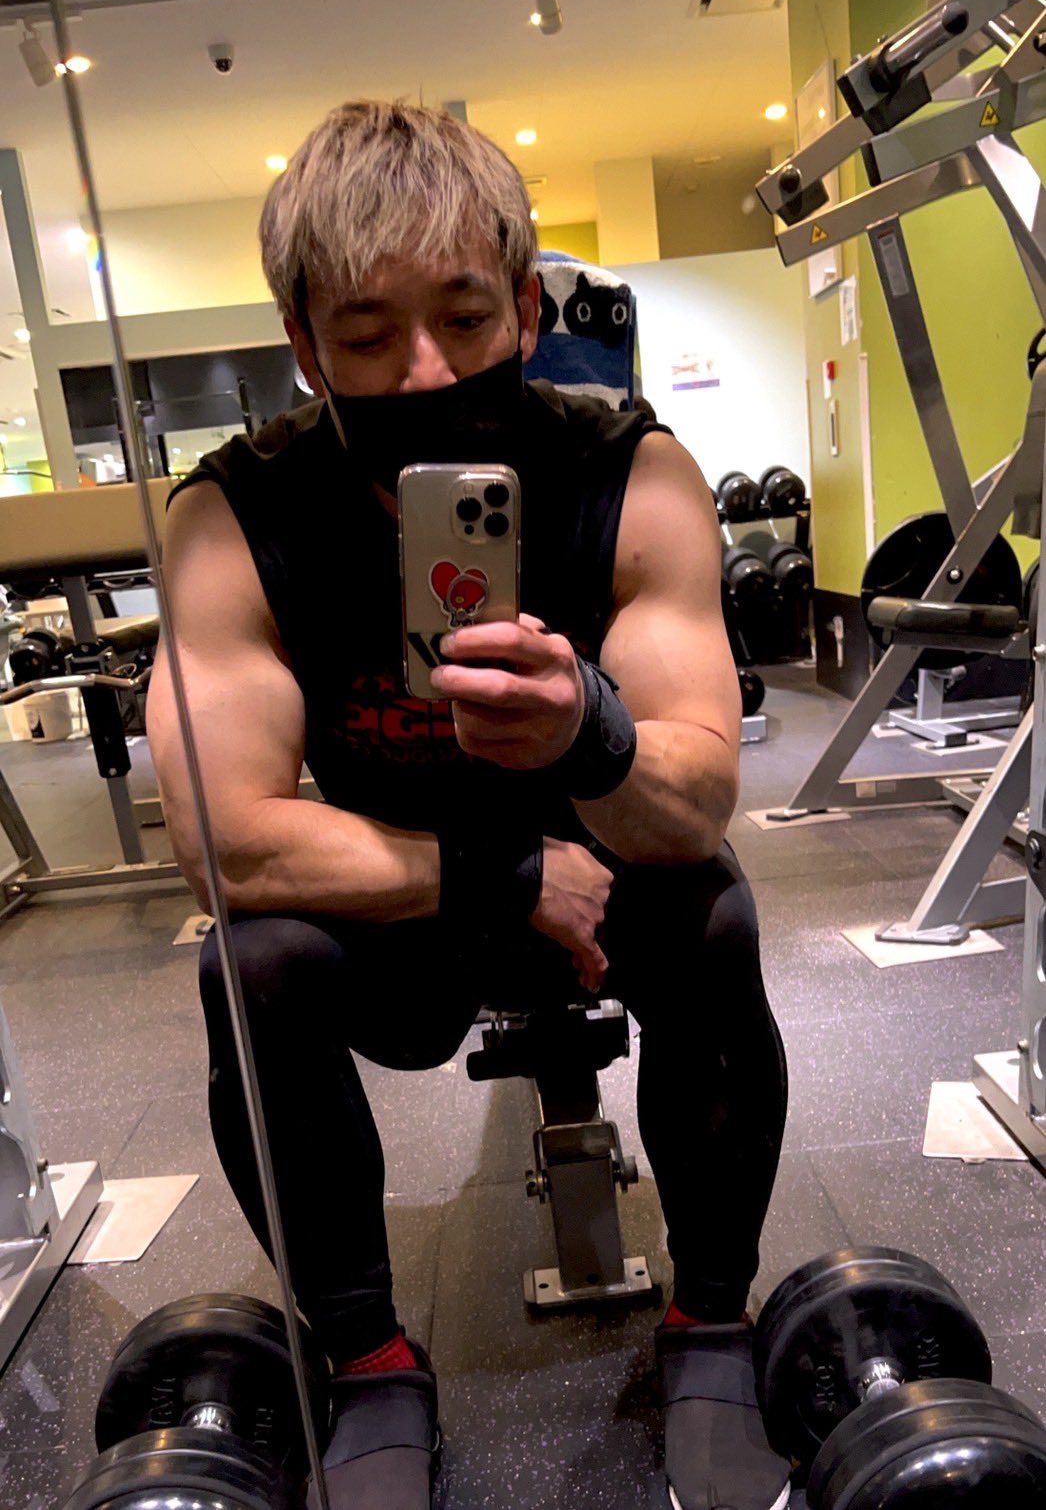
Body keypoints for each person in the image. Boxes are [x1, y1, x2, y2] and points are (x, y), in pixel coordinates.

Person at [147, 101, 790, 1510]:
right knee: (253, 962)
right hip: (405, 910)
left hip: (607, 884)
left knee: (712, 914)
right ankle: (368, 1355)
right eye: (369, 335)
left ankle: (712, 1316)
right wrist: (505, 870)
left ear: (525, 303)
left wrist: (588, 730)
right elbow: (224, 841)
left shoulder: (630, 474)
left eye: (462, 317)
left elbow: (695, 799)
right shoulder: (236, 517)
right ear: (304, 345)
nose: (426, 368)